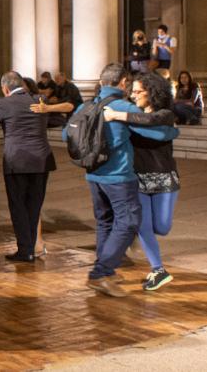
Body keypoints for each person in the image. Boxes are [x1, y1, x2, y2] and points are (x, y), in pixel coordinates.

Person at [63, 63, 178, 298]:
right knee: (129, 222)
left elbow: (67, 134)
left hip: (93, 175)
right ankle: (101, 273)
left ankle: (105, 270)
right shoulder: (122, 107)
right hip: (119, 177)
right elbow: (158, 134)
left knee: (105, 222)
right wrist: (173, 132)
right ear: (123, 83)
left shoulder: (86, 105)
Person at [0, 71, 56, 262]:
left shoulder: (5, 103)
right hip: (41, 160)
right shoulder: (39, 99)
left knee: (18, 206)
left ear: (5, 88)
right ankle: (30, 248)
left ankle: (25, 250)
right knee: (34, 206)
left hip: (18, 161)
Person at [103, 72, 180, 291]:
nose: (134, 95)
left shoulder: (165, 114)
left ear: (152, 92)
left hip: (165, 178)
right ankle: (158, 269)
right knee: (143, 225)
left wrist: (117, 116)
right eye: (132, 91)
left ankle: (143, 240)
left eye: (139, 91)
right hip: (138, 179)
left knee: (162, 227)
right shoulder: (133, 112)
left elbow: (151, 120)